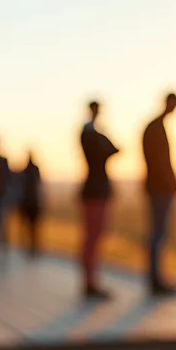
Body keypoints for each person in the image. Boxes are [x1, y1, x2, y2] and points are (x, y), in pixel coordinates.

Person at [79, 100, 119, 299]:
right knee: (92, 238)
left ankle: (91, 281)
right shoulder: (90, 134)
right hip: (95, 191)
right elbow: (114, 148)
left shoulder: (91, 134)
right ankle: (90, 282)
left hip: (96, 190)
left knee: (93, 238)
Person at [142, 92, 176, 295]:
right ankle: (155, 280)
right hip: (159, 188)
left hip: (157, 187)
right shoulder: (156, 128)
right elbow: (159, 162)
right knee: (158, 234)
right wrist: (170, 183)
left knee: (157, 234)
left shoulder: (155, 126)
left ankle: (156, 278)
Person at [16, 151, 43, 258]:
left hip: (27, 203)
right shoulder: (34, 170)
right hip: (32, 202)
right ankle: (32, 247)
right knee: (32, 228)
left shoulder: (25, 171)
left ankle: (29, 247)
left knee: (28, 227)